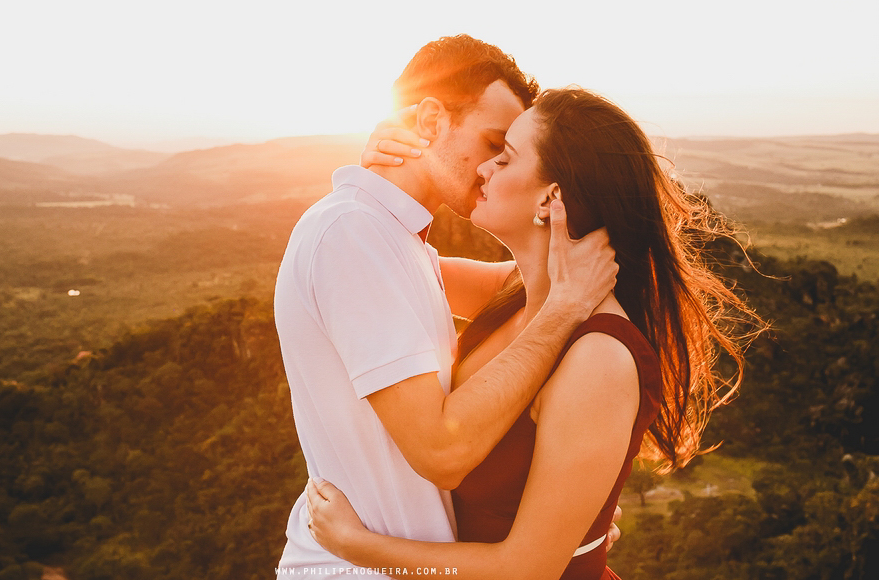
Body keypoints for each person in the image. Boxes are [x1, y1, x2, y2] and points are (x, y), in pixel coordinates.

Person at [305, 87, 763, 579]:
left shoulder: (599, 358)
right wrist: (392, 169)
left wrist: (359, 547)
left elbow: (527, 570)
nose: (484, 168)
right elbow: (377, 259)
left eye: (504, 157)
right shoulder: (513, 290)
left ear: (551, 197)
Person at [274, 37, 619, 576]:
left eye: (508, 155)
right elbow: (442, 454)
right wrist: (563, 312)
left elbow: (533, 284)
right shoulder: (351, 233)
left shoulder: (396, 243)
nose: (490, 168)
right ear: (431, 121)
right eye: (492, 144)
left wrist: (578, 511)